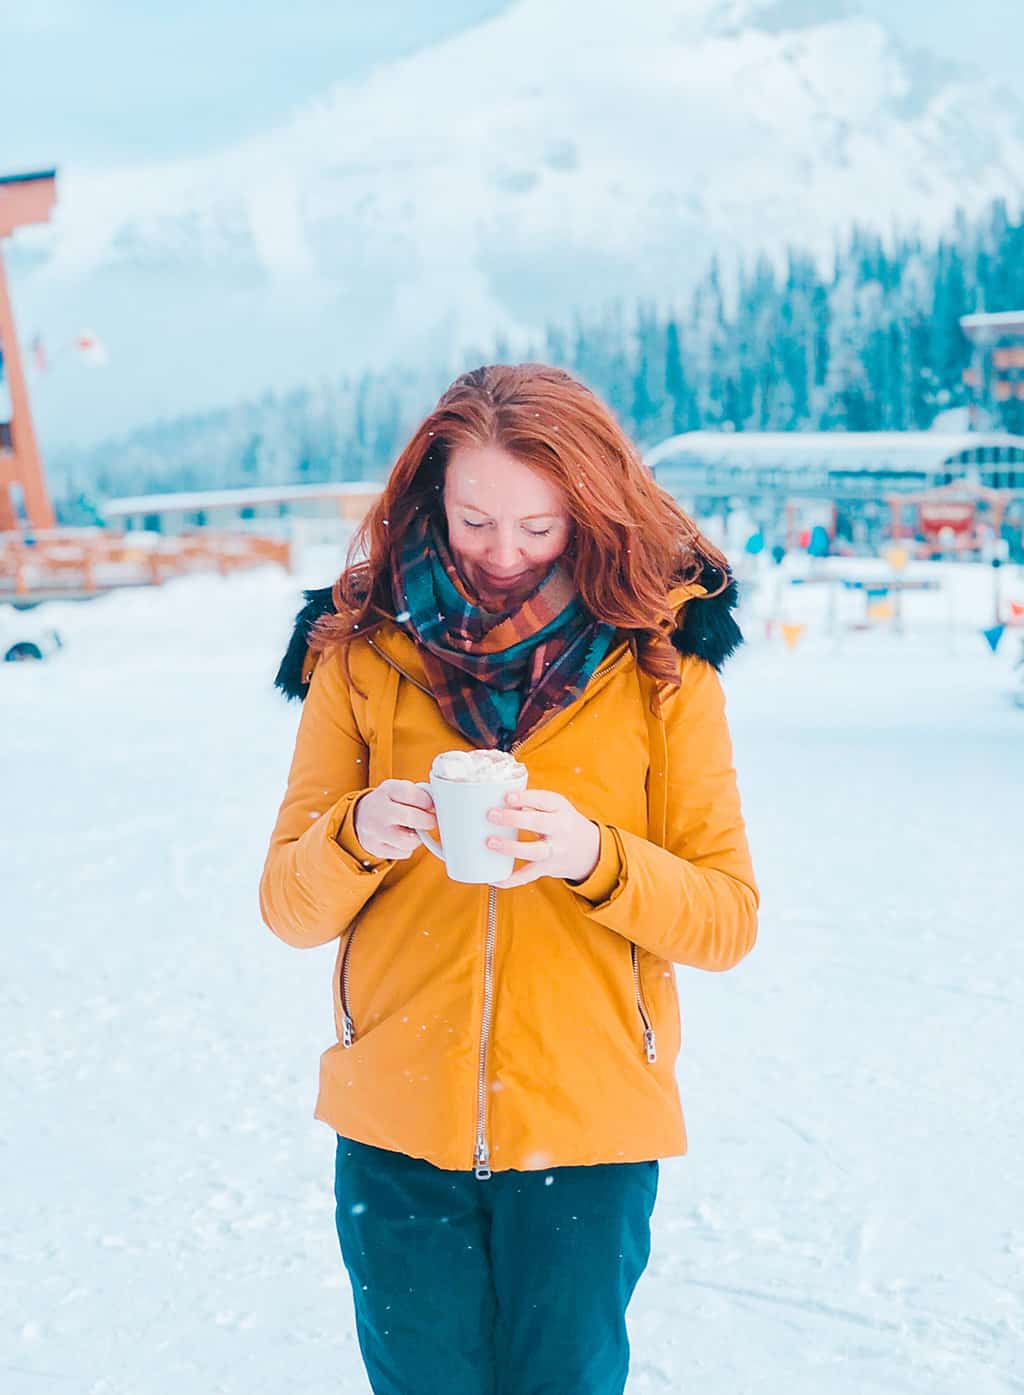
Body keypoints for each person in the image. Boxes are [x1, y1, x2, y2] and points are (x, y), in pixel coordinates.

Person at [259, 363, 759, 1395]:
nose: (500, 554)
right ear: (429, 495)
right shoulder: (358, 653)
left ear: (593, 507)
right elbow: (288, 908)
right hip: (397, 1129)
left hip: (589, 1131)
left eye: (539, 528)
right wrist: (356, 832)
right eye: (474, 520)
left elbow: (724, 920)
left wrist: (593, 856)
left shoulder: (663, 666)